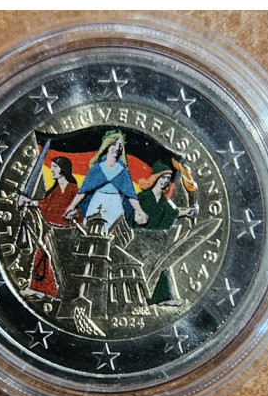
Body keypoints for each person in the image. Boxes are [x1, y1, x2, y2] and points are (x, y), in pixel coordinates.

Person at [133, 160, 198, 306]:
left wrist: (186, 212)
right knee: (150, 267)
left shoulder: (162, 201)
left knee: (161, 266)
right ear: (155, 178)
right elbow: (132, 216)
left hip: (156, 240)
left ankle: (162, 298)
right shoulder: (143, 197)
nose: (165, 181)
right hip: (141, 239)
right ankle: (147, 298)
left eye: (168, 178)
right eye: (163, 177)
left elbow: (172, 212)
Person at [18, 157, 82, 298]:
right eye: (51, 167)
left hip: (66, 234)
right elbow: (45, 204)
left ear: (63, 169)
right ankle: (40, 289)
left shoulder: (73, 189)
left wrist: (75, 213)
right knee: (42, 256)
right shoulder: (56, 190)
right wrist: (29, 202)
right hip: (52, 231)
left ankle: (58, 291)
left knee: (59, 262)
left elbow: (81, 209)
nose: (52, 170)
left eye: (55, 167)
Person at [64, 130, 148, 229]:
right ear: (107, 145)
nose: (117, 148)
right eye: (114, 145)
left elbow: (130, 194)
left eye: (120, 146)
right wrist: (72, 206)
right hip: (97, 202)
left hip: (115, 204)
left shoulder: (122, 171)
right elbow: (83, 191)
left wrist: (139, 210)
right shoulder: (97, 169)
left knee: (113, 228)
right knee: (92, 228)